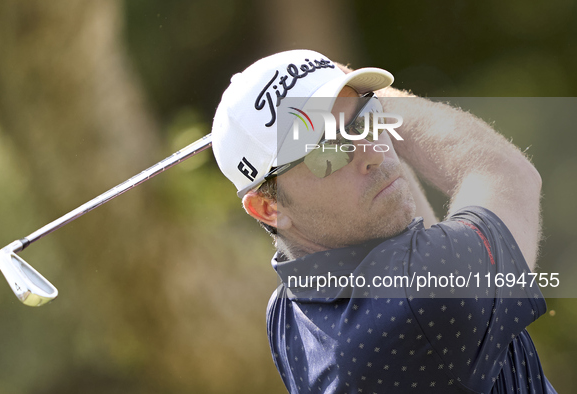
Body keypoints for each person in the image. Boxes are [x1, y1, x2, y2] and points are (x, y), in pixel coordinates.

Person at [211, 49, 556, 393]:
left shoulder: (288, 311)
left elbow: (416, 233)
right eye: (328, 149)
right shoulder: (414, 306)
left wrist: (336, 92)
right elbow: (507, 173)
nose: (374, 151)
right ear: (268, 209)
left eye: (368, 119)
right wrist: (372, 95)